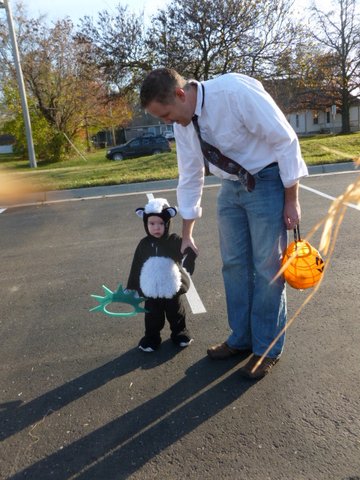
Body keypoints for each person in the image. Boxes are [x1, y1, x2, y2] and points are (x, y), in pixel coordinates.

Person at [140, 68, 308, 378]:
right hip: (231, 186)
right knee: (233, 265)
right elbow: (191, 174)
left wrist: (291, 198)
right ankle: (242, 340)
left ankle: (266, 348)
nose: (167, 122)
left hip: (268, 180)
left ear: (180, 94)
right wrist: (187, 234)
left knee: (268, 269)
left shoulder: (234, 92)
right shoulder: (183, 122)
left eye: (166, 114)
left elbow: (285, 140)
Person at [126, 196, 197, 352]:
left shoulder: (173, 240)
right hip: (151, 289)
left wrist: (190, 255)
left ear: (167, 223)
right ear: (146, 224)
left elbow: (186, 249)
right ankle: (151, 338)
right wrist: (132, 286)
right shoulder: (144, 244)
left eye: (160, 223)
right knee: (152, 316)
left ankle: (180, 333)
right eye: (151, 223)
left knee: (176, 313)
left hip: (171, 287)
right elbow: (136, 265)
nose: (156, 228)